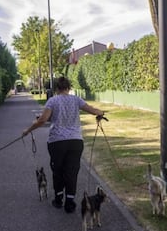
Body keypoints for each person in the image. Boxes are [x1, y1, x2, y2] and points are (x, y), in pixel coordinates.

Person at [22, 76, 105, 213]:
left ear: (56, 88)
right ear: (69, 87)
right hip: (75, 141)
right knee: (72, 171)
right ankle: (70, 202)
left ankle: (59, 199)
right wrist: (100, 113)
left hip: (57, 142)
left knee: (58, 171)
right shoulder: (76, 99)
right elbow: (91, 109)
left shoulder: (52, 101)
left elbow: (42, 120)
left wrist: (28, 131)